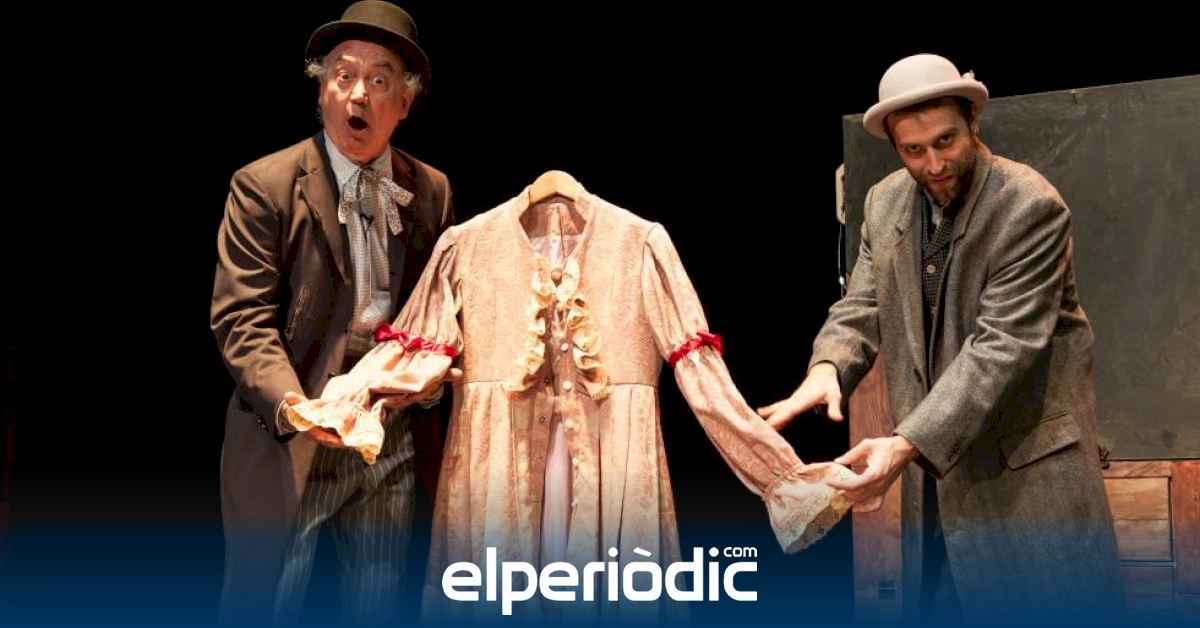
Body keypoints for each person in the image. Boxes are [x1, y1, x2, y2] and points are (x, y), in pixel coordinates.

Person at [758, 54, 1122, 620]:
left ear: (973, 122)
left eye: (945, 141)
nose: (934, 163)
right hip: (941, 488)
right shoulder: (884, 202)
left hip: (1026, 483)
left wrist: (904, 443)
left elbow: (1000, 348)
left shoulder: (1028, 207)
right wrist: (827, 367)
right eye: (913, 150)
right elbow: (863, 303)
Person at [210, 1, 453, 623]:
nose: (359, 94)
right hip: (293, 427)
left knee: (377, 601)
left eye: (379, 80)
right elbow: (241, 320)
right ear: (322, 91)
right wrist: (298, 408)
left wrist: (423, 380)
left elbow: (438, 310)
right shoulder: (265, 185)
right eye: (344, 75)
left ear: (405, 102)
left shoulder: (431, 190)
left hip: (386, 432)